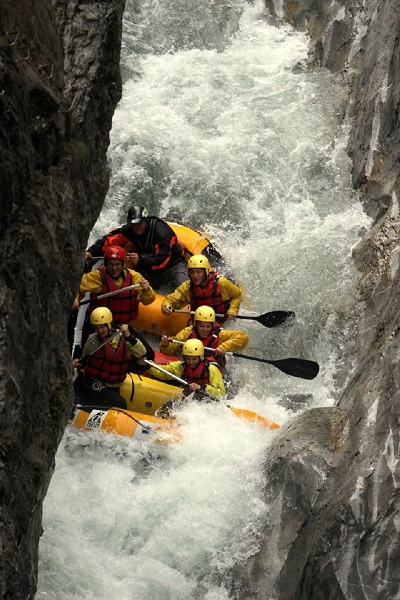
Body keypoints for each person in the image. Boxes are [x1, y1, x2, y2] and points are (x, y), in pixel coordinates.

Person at [71, 245, 156, 362]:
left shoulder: (134, 278)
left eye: (117, 264)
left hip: (121, 327)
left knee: (149, 355)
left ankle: (125, 367)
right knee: (84, 358)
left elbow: (148, 300)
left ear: (122, 265)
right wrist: (75, 299)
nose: (114, 268)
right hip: (98, 326)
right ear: (105, 264)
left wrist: (147, 290)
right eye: (111, 264)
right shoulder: (97, 277)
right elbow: (78, 287)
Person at [84, 205, 188, 292]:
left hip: (174, 265)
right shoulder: (130, 230)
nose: (136, 227)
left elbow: (163, 260)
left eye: (139, 224)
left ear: (145, 221)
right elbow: (108, 241)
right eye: (133, 224)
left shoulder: (161, 232)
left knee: (184, 288)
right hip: (148, 267)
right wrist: (91, 252)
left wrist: (141, 259)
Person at [73, 307, 147, 409]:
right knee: (121, 403)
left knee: (116, 403)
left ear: (109, 325)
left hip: (113, 385)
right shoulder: (93, 340)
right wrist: (77, 362)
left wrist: (129, 335)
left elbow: (142, 352)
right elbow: (84, 360)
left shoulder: (123, 338)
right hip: (95, 382)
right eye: (96, 327)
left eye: (102, 327)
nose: (99, 331)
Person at [160, 305, 249, 371]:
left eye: (208, 326)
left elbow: (243, 337)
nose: (205, 330)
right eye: (201, 326)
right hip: (191, 368)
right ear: (196, 324)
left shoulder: (220, 334)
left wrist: (224, 347)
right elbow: (169, 351)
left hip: (214, 372)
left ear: (213, 325)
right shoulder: (188, 332)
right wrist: (165, 345)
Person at [161, 254, 242, 322]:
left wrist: (233, 310)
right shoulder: (187, 287)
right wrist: (166, 306)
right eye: (192, 272)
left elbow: (237, 295)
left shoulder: (221, 283)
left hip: (220, 322)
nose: (195, 276)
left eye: (198, 272)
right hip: (200, 326)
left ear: (206, 272)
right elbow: (171, 300)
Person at [147, 339, 226, 400]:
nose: (191, 362)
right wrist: (147, 365)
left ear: (201, 357)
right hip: (191, 401)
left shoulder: (211, 369)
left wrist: (201, 387)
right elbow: (162, 372)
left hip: (208, 402)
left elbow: (221, 393)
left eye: (194, 359)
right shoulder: (181, 367)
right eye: (188, 359)